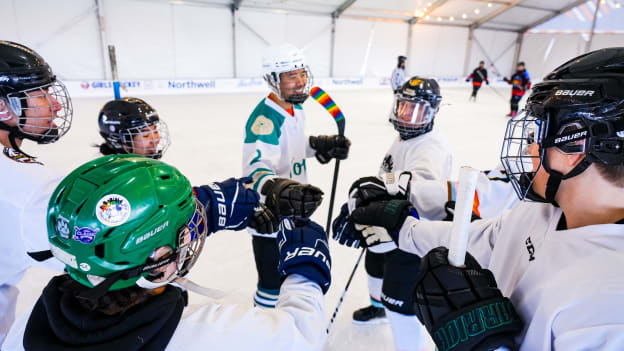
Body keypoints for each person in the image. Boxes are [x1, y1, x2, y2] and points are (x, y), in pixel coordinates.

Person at [350, 48, 624, 350]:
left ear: (576, 146)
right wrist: (399, 225)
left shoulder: (610, 305)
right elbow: (485, 238)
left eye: (539, 131)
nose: (530, 148)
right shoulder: (540, 210)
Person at [2, 155, 332, 351]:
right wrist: (306, 271)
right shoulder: (210, 332)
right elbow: (302, 335)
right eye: (185, 228)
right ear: (156, 265)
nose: (191, 232)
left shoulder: (25, 328)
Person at [334, 76, 452, 351]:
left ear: (433, 112)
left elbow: (418, 191)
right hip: (386, 223)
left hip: (410, 236)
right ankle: (377, 308)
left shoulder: (429, 147)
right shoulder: (405, 139)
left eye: (417, 110)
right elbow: (387, 178)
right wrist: (361, 207)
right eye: (403, 107)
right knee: (374, 265)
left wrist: (369, 205)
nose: (408, 117)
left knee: (400, 302)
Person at [242, 43, 350, 309]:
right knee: (270, 283)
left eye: (302, 73)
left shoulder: (294, 107)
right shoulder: (265, 120)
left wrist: (319, 145)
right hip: (270, 216)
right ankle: (264, 330)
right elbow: (255, 171)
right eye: (291, 76)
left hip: (294, 209)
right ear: (273, 80)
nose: (301, 81)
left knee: (291, 276)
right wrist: (283, 190)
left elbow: (292, 147)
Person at [0, 40, 73, 344]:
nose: (54, 104)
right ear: (2, 108)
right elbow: (100, 248)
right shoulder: (26, 184)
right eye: (41, 94)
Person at [97, 97, 170, 159]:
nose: (156, 140)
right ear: (119, 141)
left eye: (155, 131)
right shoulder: (106, 174)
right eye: (146, 135)